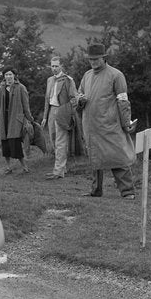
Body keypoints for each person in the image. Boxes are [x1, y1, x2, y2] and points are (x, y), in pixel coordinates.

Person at [76, 43, 137, 199]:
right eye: (91, 59)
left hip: (110, 125)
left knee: (118, 156)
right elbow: (79, 96)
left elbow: (123, 101)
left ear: (104, 58)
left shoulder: (116, 75)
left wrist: (126, 122)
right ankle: (96, 190)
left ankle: (127, 191)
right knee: (95, 157)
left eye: (96, 59)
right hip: (91, 126)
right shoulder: (87, 76)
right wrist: (80, 100)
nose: (93, 62)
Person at [40, 55, 78, 179]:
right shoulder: (49, 80)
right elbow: (47, 99)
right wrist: (45, 117)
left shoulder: (68, 80)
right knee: (53, 140)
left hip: (62, 112)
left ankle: (58, 171)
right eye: (52, 66)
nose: (54, 68)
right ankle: (62, 168)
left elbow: (74, 98)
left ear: (61, 66)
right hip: (51, 111)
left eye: (56, 66)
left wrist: (68, 112)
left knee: (61, 141)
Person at [0, 67, 33, 174]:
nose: (8, 77)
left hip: (15, 120)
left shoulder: (21, 88)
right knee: (5, 144)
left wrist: (30, 119)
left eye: (10, 74)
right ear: (4, 77)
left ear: (14, 76)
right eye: (6, 75)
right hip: (3, 119)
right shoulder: (0, 89)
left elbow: (26, 105)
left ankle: (24, 167)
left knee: (15, 144)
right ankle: (8, 167)